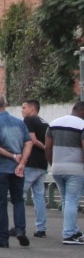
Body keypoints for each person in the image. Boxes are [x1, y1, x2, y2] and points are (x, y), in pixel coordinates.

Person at [0, 93, 31, 248]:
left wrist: (13, 156)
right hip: (18, 169)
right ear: (5, 105)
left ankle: (3, 239)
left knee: (1, 203)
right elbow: (28, 143)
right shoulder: (19, 123)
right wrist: (22, 161)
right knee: (18, 200)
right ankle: (20, 230)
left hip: (0, 168)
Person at [45, 100, 84, 245]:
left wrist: (52, 164)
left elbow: (47, 147)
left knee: (66, 200)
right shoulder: (82, 125)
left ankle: (73, 230)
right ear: (82, 111)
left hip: (57, 167)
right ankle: (68, 234)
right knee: (72, 200)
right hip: (75, 168)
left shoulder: (54, 123)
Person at [20, 100, 51, 238]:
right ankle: (41, 228)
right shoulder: (45, 123)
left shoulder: (29, 121)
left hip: (31, 162)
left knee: (20, 195)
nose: (22, 110)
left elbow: (31, 139)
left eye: (24, 107)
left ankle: (19, 226)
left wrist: (44, 148)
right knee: (39, 196)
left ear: (32, 109)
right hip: (42, 164)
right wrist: (47, 151)